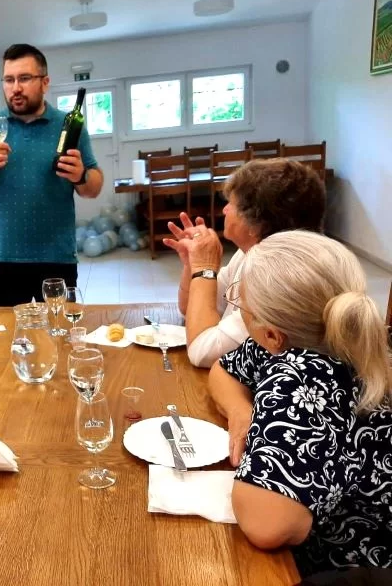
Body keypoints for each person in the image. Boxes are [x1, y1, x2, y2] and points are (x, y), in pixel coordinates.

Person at [207, 230, 391, 578]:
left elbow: (267, 524)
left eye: (241, 304)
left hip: (358, 569)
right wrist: (242, 411)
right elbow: (223, 370)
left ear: (272, 334)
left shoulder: (300, 375)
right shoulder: (317, 337)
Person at [0, 43, 103, 306]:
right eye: (8, 80)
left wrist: (81, 176)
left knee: (59, 330)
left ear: (45, 83)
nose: (15, 88)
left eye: (24, 78)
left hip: (57, 258)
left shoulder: (68, 125)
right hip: (3, 259)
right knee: (5, 332)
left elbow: (94, 188)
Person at [164, 159, 326, 367]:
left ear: (256, 224)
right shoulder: (249, 253)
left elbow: (202, 352)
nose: (224, 210)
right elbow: (190, 310)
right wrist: (193, 266)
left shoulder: (279, 278)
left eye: (232, 204)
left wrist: (204, 269)